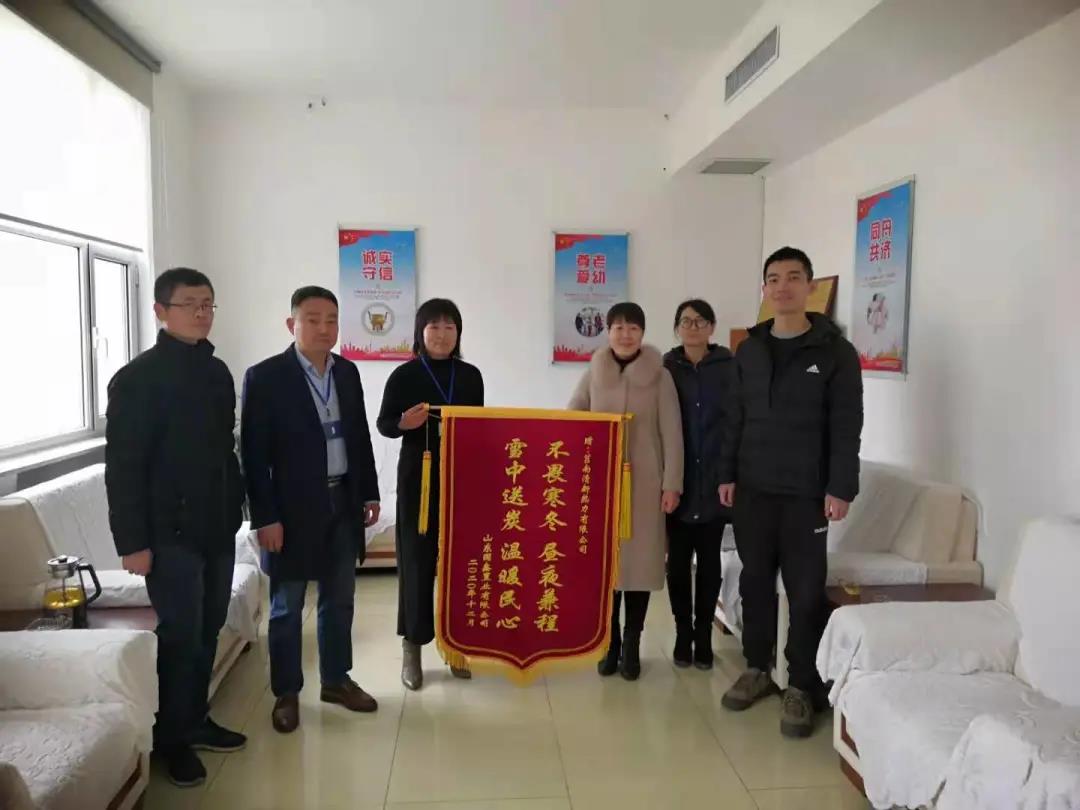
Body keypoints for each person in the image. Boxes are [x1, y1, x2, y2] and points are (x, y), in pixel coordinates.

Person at [105, 267, 247, 787]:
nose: (202, 313)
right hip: (168, 535)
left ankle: (194, 719)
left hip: (217, 526)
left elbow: (225, 452)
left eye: (208, 304)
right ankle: (171, 740)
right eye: (190, 304)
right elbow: (123, 468)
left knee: (209, 627)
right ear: (161, 311)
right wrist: (133, 543)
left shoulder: (217, 373)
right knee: (181, 634)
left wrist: (238, 508)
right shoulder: (137, 379)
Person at [718, 247, 863, 738]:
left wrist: (840, 487)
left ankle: (801, 684)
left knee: (804, 592)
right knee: (755, 583)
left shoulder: (835, 352)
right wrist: (726, 473)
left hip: (806, 495)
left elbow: (846, 425)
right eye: (774, 278)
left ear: (810, 287)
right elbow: (734, 417)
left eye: (793, 277)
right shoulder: (750, 349)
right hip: (753, 489)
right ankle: (757, 668)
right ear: (765, 288)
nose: (783, 287)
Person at [241, 286, 381, 734]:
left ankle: (336, 680)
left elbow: (359, 436)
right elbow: (253, 456)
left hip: (342, 500)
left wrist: (369, 492)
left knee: (339, 598)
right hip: (291, 509)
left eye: (332, 320)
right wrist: (265, 517)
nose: (324, 329)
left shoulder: (347, 372)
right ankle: (286, 691)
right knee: (287, 605)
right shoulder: (265, 377)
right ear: (292, 324)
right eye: (313, 319)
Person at [568, 302, 683, 681]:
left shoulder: (661, 377)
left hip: (647, 484)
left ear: (642, 333)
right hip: (601, 483)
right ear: (608, 332)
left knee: (640, 565)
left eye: (633, 327)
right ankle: (610, 642)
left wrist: (672, 484)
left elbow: (673, 434)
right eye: (618, 327)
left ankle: (633, 641)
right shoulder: (594, 372)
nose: (625, 334)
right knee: (606, 565)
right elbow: (571, 419)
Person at [377, 298, 485, 690]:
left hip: (461, 477)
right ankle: (413, 648)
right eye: (434, 326)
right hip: (418, 479)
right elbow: (384, 424)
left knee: (459, 564)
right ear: (420, 332)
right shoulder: (404, 375)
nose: (441, 334)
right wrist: (404, 423)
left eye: (449, 327)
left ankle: (456, 647)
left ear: (459, 333)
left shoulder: (470, 376)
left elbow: (480, 426)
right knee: (417, 562)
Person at [663, 299, 734, 670]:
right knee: (677, 563)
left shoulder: (729, 366)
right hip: (677, 479)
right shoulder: (665, 367)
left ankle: (703, 634)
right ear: (677, 328)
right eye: (686, 321)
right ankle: (682, 632)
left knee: (709, 561)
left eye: (700, 321)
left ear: (712, 327)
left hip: (715, 480)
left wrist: (730, 473)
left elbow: (736, 422)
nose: (692, 327)